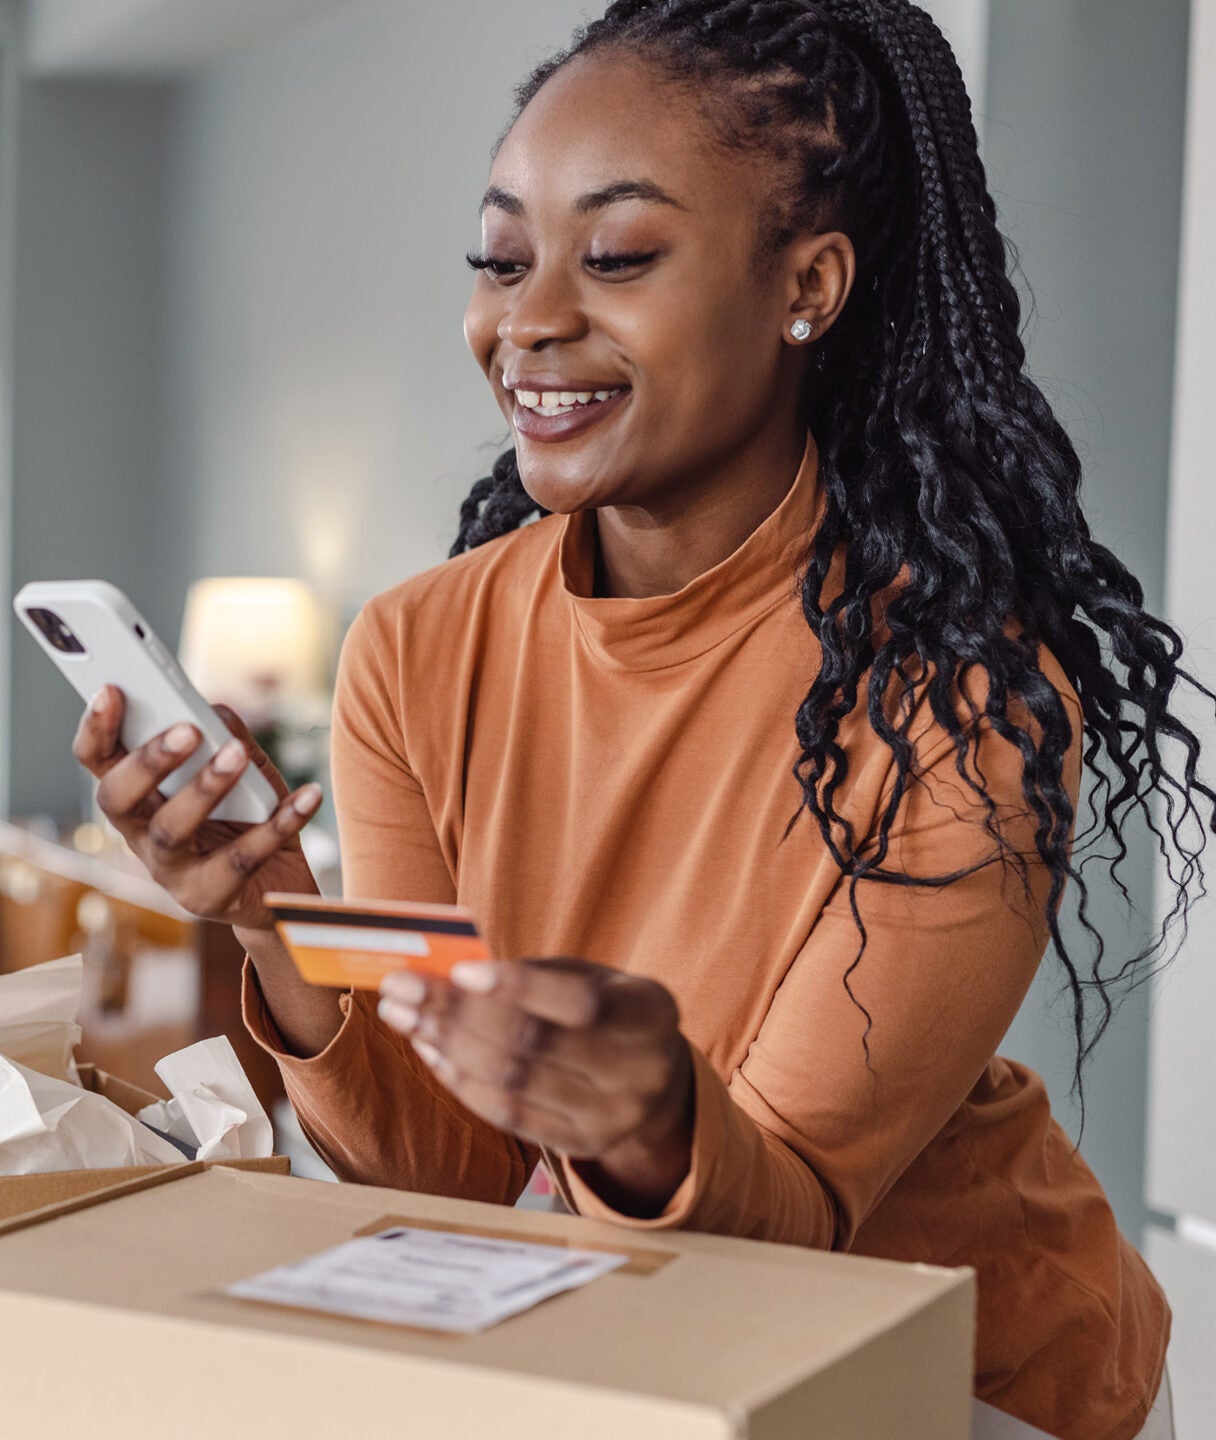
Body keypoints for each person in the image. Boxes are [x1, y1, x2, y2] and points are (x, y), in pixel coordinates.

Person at [74, 3, 1198, 1437]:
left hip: (956, 1371)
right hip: (613, 1335)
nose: (528, 319)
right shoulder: (418, 649)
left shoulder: (957, 689)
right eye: (499, 258)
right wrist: (271, 911)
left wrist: (650, 1119)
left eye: (616, 256)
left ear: (810, 283)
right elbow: (450, 1184)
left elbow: (785, 1227)